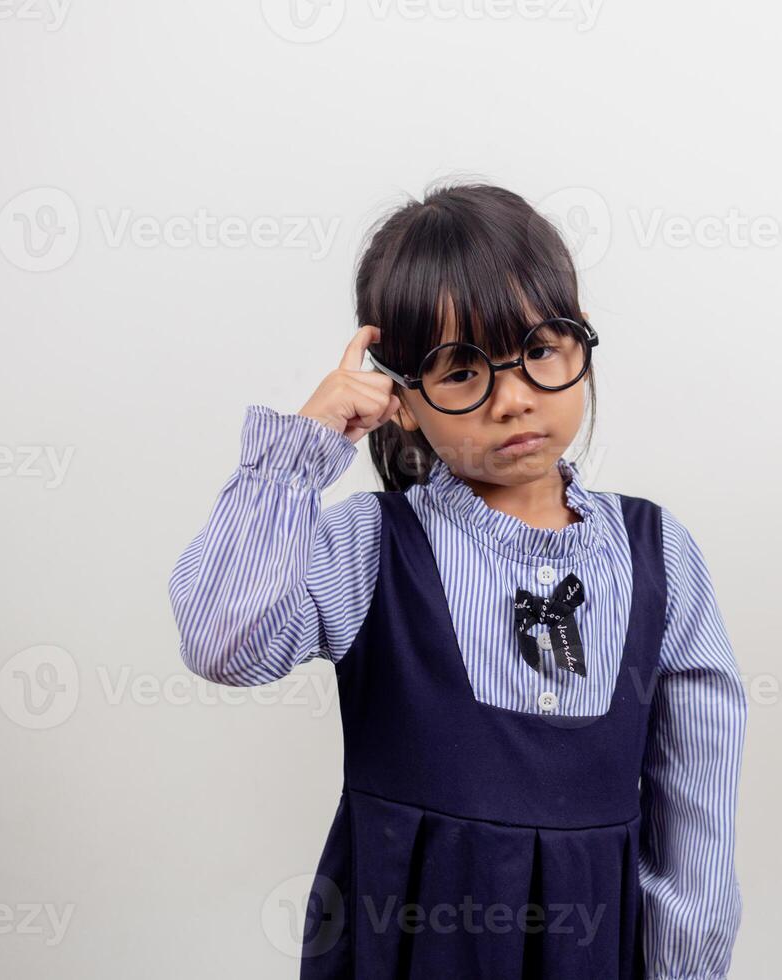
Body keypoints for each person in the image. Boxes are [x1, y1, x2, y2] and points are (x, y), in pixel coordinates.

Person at [168, 181, 747, 978]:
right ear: (401, 400)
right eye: (461, 371)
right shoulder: (372, 546)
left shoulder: (659, 554)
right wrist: (301, 453)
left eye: (541, 351)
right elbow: (221, 642)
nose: (512, 400)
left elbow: (697, 816)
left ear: (581, 344)